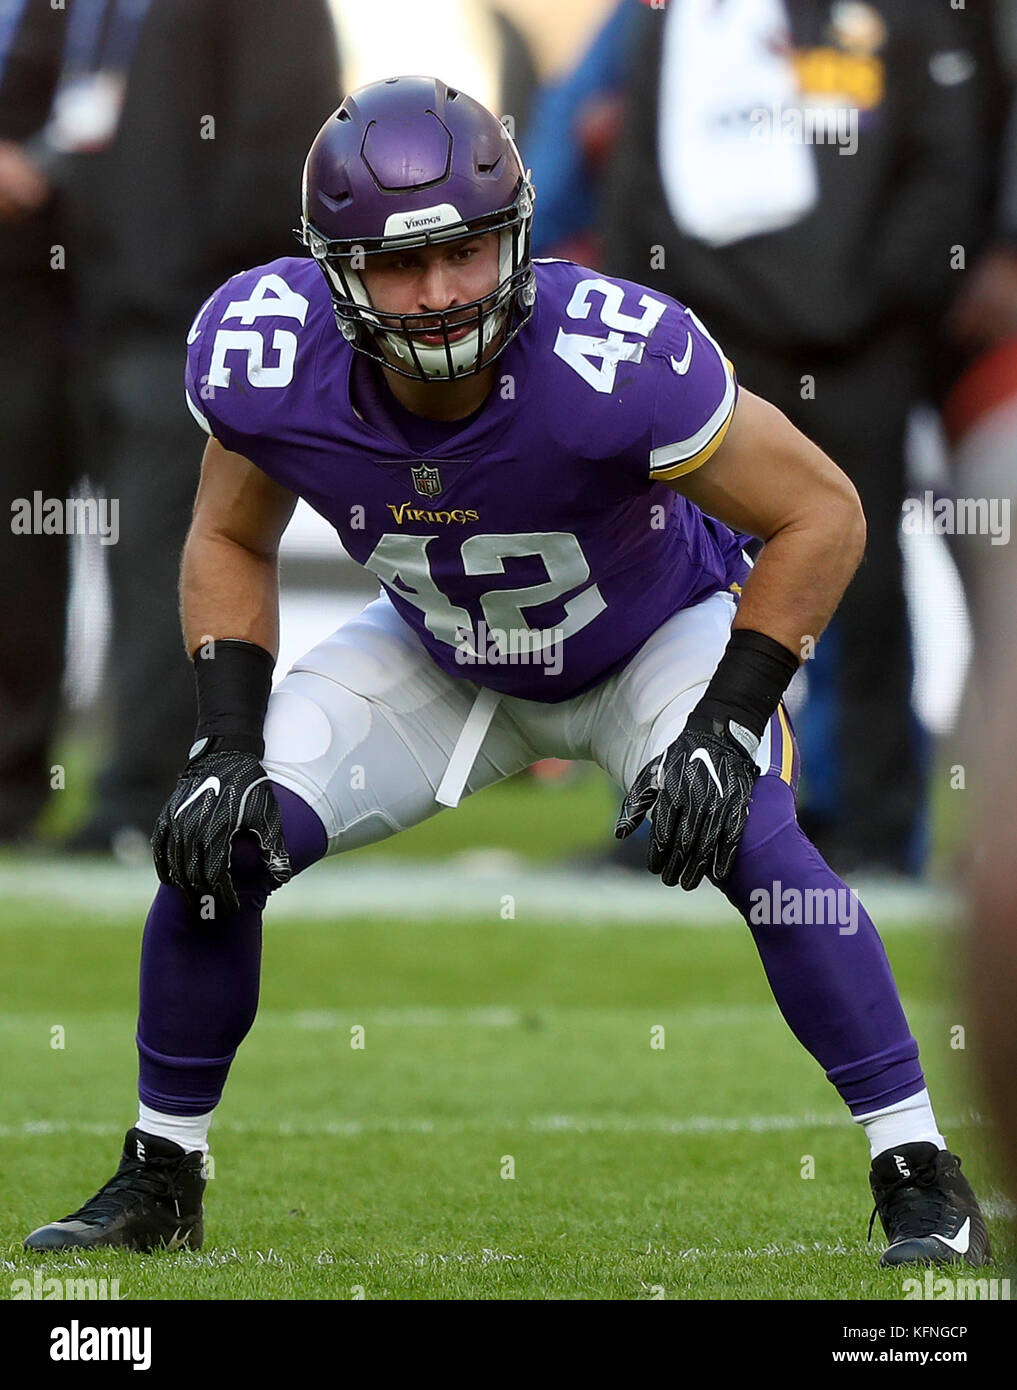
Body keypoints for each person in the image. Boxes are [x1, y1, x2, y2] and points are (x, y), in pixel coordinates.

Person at [23, 77, 990, 1268]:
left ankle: (918, 1169)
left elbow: (825, 513)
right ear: (333, 272)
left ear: (516, 236)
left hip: (655, 635)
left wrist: (723, 719)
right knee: (214, 837)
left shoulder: (614, 355)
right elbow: (228, 534)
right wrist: (224, 740)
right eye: (397, 267)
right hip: (444, 649)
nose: (438, 297)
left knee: (758, 842)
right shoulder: (266, 353)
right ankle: (162, 1175)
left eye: (467, 255)